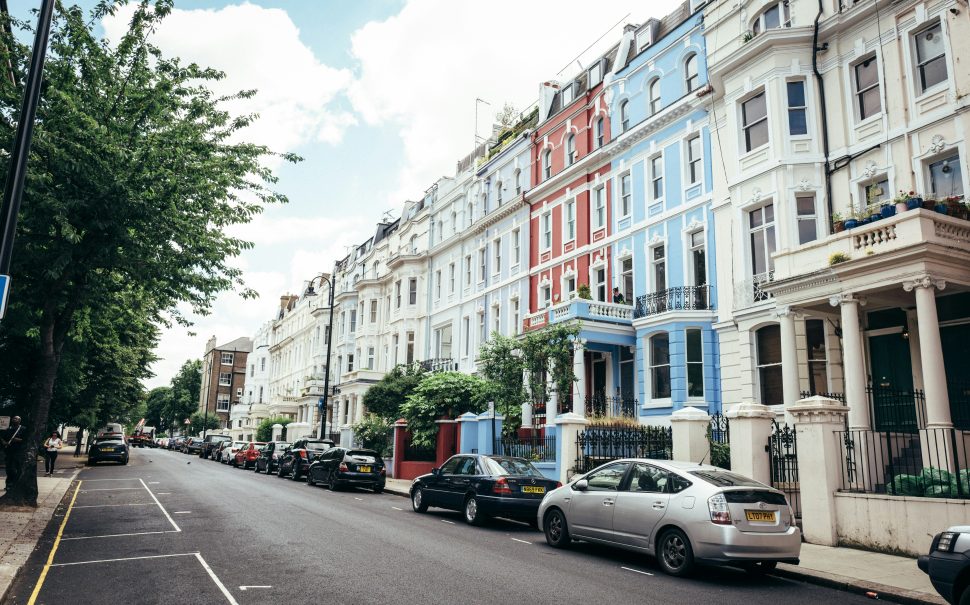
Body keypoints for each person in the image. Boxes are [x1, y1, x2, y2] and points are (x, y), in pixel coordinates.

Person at [1, 416, 26, 490]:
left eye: (16, 419)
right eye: (14, 418)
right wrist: (4, 442)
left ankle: (15, 484)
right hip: (9, 452)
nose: (14, 419)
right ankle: (8, 484)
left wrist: (19, 440)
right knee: (9, 468)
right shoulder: (8, 429)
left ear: (19, 421)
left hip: (18, 452)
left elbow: (27, 439)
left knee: (16, 468)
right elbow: (2, 437)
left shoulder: (23, 429)